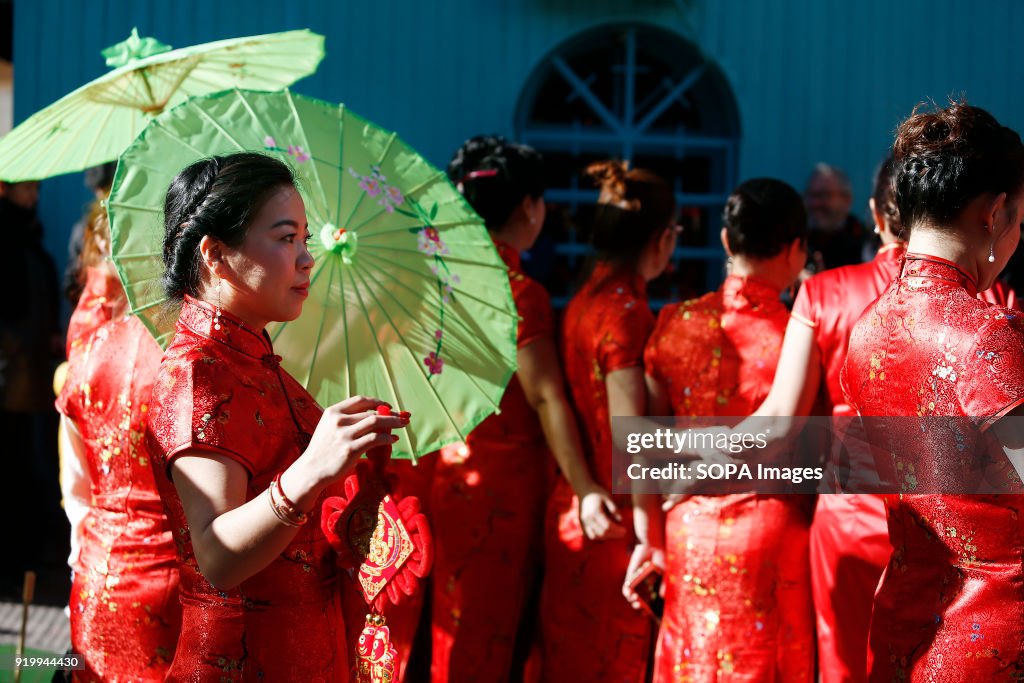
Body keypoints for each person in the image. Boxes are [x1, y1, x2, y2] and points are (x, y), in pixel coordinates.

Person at [145, 152, 408, 681]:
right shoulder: (200, 373)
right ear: (215, 254)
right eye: (287, 238)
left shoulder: (254, 357)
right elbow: (218, 556)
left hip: (305, 649)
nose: (307, 258)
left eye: (305, 239)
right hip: (244, 660)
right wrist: (313, 470)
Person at [842, 101, 1024, 681]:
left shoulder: (868, 327)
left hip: (905, 617)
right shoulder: (986, 333)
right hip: (994, 633)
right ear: (994, 214)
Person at [429, 136, 616, 681]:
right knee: (487, 636)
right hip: (502, 486)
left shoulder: (432, 281)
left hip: (444, 470)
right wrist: (585, 487)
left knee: (453, 631)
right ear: (531, 207)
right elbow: (544, 395)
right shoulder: (515, 290)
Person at [643, 178, 814, 681]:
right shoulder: (798, 336)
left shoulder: (673, 322)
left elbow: (648, 442)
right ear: (796, 250)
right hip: (769, 526)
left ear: (725, 242)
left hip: (685, 524)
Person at [540, 160, 678, 683]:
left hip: (578, 506)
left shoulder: (582, 300)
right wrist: (650, 533)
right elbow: (633, 439)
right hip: (617, 525)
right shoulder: (626, 312)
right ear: (663, 238)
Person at [55, 208, 180, 681]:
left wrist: (80, 552)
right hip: (176, 589)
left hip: (96, 572)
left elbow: (76, 487)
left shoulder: (85, 350)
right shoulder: (194, 359)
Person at [0, 179, 62, 593]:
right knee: (12, 465)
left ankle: (23, 557)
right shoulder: (8, 235)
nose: (34, 196)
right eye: (27, 189)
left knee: (23, 462)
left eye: (37, 189)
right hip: (10, 374)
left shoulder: (26, 233)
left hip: (29, 371)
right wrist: (19, 343)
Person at [804, 163, 867, 273]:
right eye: (811, 195)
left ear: (847, 200)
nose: (816, 203)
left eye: (824, 195)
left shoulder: (865, 244)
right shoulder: (798, 241)